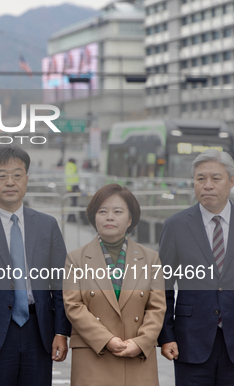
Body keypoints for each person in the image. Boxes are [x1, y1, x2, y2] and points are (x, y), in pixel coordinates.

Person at [0, 146, 70, 386]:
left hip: (39, 330)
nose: (10, 182)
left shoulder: (47, 225)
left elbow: (61, 283)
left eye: (17, 175)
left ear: (27, 179)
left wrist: (61, 331)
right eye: (2, 175)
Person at [63, 184, 166, 386]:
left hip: (137, 357)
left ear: (130, 219)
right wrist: (107, 340)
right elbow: (73, 306)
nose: (109, 217)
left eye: (117, 211)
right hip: (93, 356)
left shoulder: (150, 258)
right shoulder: (76, 258)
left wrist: (141, 342)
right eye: (103, 211)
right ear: (94, 217)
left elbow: (157, 307)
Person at [158, 149, 234, 386]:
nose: (207, 185)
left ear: (232, 181)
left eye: (215, 178)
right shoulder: (175, 226)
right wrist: (166, 336)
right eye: (200, 179)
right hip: (190, 342)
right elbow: (163, 286)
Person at [65, 158, 79, 223]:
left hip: (73, 186)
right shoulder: (71, 166)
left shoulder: (70, 166)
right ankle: (71, 217)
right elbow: (69, 178)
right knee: (73, 203)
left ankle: (71, 217)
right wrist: (69, 188)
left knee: (73, 203)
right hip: (73, 186)